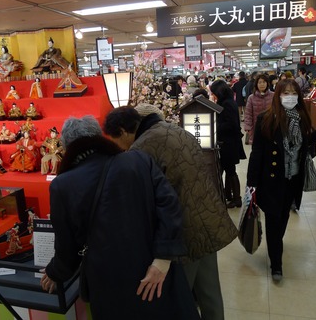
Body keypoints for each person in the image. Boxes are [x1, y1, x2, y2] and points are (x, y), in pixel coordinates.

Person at [41, 115, 200, 320]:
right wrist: (163, 259)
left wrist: (55, 272)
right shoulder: (138, 160)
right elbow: (170, 205)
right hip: (154, 269)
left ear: (67, 146)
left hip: (108, 279)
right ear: (99, 137)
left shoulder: (62, 185)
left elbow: (66, 245)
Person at [104, 105, 237, 320]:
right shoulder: (174, 129)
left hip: (184, 233)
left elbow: (149, 201)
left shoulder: (141, 149)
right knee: (210, 294)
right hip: (208, 219)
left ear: (123, 131)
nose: (119, 147)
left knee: (180, 300)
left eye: (115, 140)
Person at [246, 79, 316, 282]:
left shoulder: (301, 117)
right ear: (278, 96)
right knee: (274, 220)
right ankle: (276, 263)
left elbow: (304, 143)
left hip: (293, 179)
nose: (290, 97)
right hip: (271, 180)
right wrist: (251, 184)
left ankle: (276, 246)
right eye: (285, 93)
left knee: (282, 219)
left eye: (294, 93)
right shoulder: (266, 119)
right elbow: (257, 153)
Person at [211, 79, 246, 209]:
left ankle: (236, 198)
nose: (213, 95)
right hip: (228, 142)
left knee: (230, 171)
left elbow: (232, 124)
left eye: (214, 92)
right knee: (228, 169)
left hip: (229, 142)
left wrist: (216, 127)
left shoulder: (227, 104)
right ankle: (229, 195)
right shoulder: (227, 102)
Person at [244, 74, 274, 145]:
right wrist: (248, 127)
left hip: (270, 126)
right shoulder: (251, 97)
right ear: (256, 84)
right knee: (257, 149)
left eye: (264, 82)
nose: (262, 84)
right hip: (256, 127)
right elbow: (248, 114)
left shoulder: (273, 95)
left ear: (267, 83)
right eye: (259, 82)